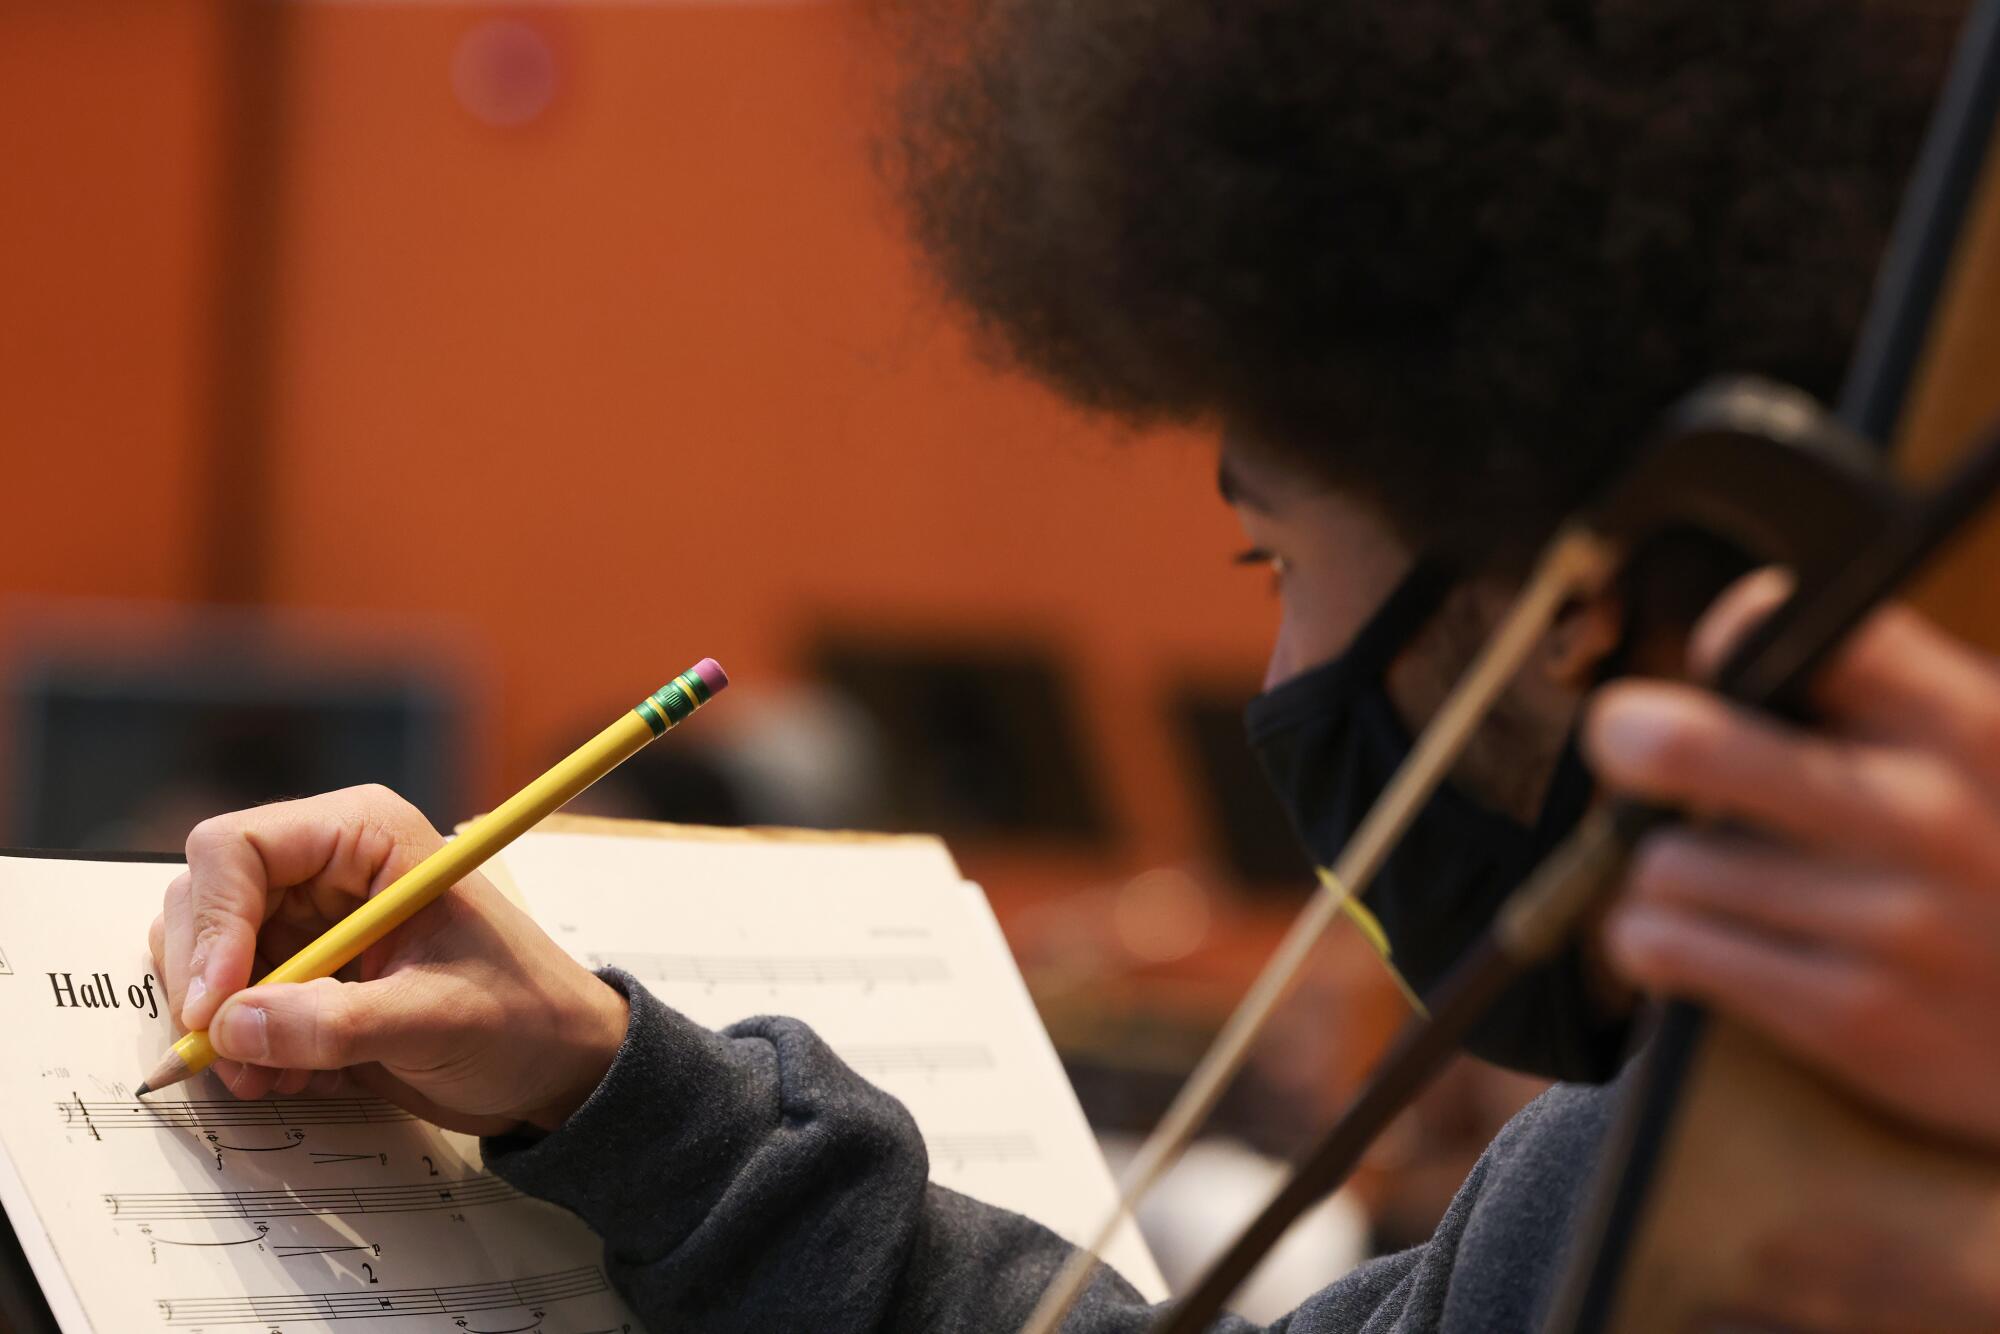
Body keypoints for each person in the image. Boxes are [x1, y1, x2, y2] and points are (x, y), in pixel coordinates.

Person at [151, 0, 2000, 1328]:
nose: (1275, 656)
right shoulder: (1579, 1190)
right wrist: (613, 1089)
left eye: (1273, 549)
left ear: (1569, 590)